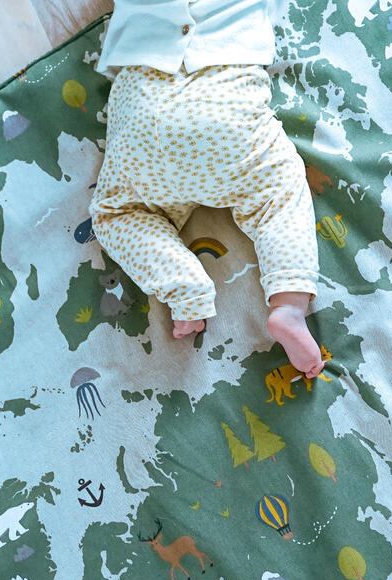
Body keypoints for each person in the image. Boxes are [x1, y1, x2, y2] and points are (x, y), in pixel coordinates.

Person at [89, 0, 325, 378]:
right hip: (224, 109)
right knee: (279, 193)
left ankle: (186, 290)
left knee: (117, 214)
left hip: (142, 111)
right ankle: (288, 305)